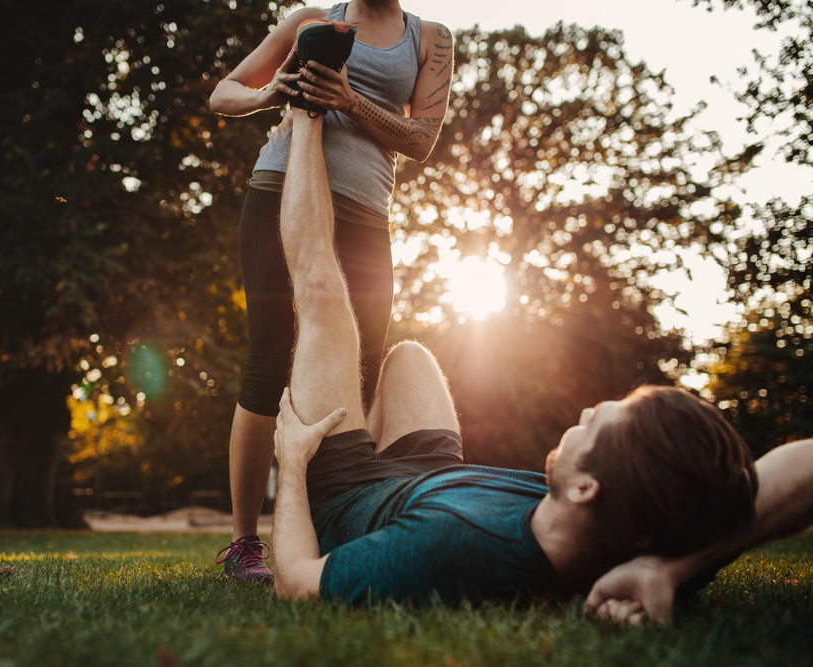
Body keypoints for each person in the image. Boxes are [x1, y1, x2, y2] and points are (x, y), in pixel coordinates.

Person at [268, 106, 813, 616]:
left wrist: (291, 465)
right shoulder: (644, 532)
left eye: (599, 421)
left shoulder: (448, 548)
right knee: (410, 356)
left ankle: (306, 113)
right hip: (434, 478)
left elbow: (296, 584)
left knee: (322, 291)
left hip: (352, 499)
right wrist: (673, 568)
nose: (588, 411)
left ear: (584, 489)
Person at [209, 0, 455, 581]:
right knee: (268, 364)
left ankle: (339, 520)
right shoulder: (310, 19)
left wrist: (349, 101)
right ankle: (245, 545)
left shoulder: (431, 40)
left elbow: (421, 139)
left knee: (360, 370)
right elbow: (223, 94)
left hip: (367, 212)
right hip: (280, 188)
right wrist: (272, 94)